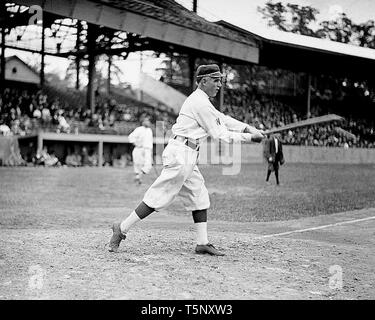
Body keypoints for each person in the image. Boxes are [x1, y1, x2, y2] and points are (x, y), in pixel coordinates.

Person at [108, 64, 264, 256]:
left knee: (199, 197)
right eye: (216, 80)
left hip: (188, 153)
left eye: (220, 81)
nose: (219, 85)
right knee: (159, 196)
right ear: (203, 81)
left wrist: (248, 128)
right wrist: (250, 137)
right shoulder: (199, 102)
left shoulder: (203, 101)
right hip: (181, 153)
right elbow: (219, 133)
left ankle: (202, 243)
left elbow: (222, 118)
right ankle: (121, 228)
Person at [128, 117, 153, 184]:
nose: (147, 122)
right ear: (143, 122)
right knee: (138, 163)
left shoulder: (149, 130)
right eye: (146, 121)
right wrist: (136, 143)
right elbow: (131, 137)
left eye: (148, 121)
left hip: (147, 149)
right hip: (139, 149)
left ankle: (139, 175)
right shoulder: (139, 129)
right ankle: (138, 177)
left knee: (148, 164)